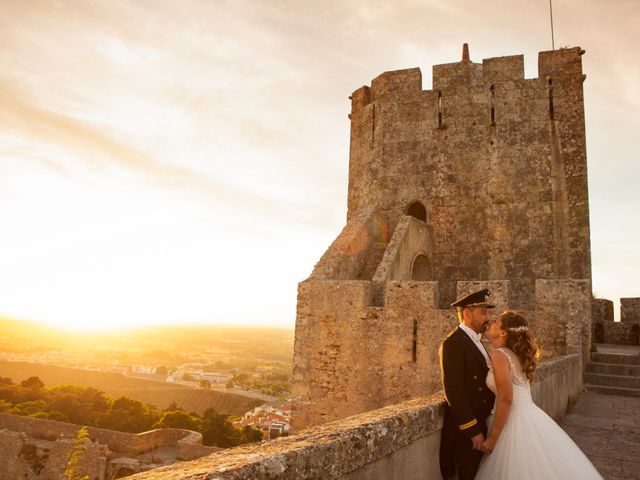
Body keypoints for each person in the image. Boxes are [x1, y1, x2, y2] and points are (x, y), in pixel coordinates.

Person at [476, 310, 603, 479]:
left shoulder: (499, 355)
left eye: (495, 322)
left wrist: (492, 438)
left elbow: (506, 399)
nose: (490, 321)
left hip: (512, 421)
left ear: (503, 332)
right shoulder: (515, 355)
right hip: (530, 414)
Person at [439, 288, 496, 480]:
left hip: (482, 422)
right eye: (483, 312)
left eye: (487, 312)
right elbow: (453, 391)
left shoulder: (476, 341)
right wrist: (473, 431)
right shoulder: (453, 342)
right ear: (466, 313)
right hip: (466, 432)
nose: (487, 318)